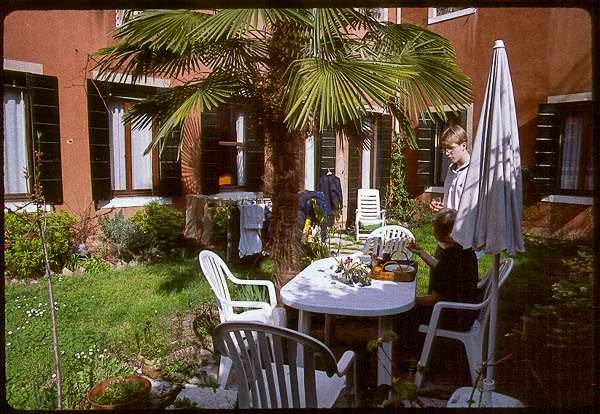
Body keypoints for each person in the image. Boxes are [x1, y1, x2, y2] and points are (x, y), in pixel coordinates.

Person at [397, 208, 479, 358]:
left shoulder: (450, 257)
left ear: (442, 233)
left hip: (454, 315)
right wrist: (421, 252)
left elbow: (433, 300)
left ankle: (408, 358)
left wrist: (407, 301)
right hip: (467, 311)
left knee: (404, 314)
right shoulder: (465, 250)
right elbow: (441, 267)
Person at [430, 125, 470, 213]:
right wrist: (442, 208)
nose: (447, 153)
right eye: (444, 149)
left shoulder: (474, 171)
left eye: (451, 148)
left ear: (463, 146)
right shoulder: (451, 170)